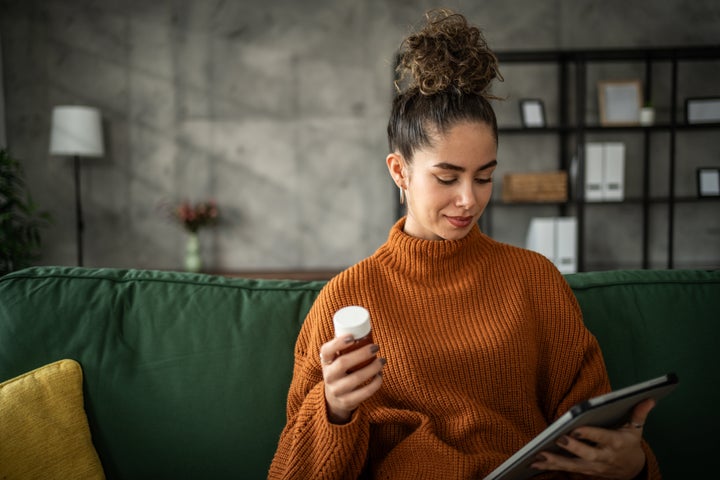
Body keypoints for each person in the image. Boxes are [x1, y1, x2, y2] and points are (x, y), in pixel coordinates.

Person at [269, 9, 660, 480]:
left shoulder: (534, 280)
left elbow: (593, 422)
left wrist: (634, 465)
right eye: (447, 177)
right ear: (400, 172)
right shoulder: (347, 298)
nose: (468, 200)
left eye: (485, 177)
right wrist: (333, 409)